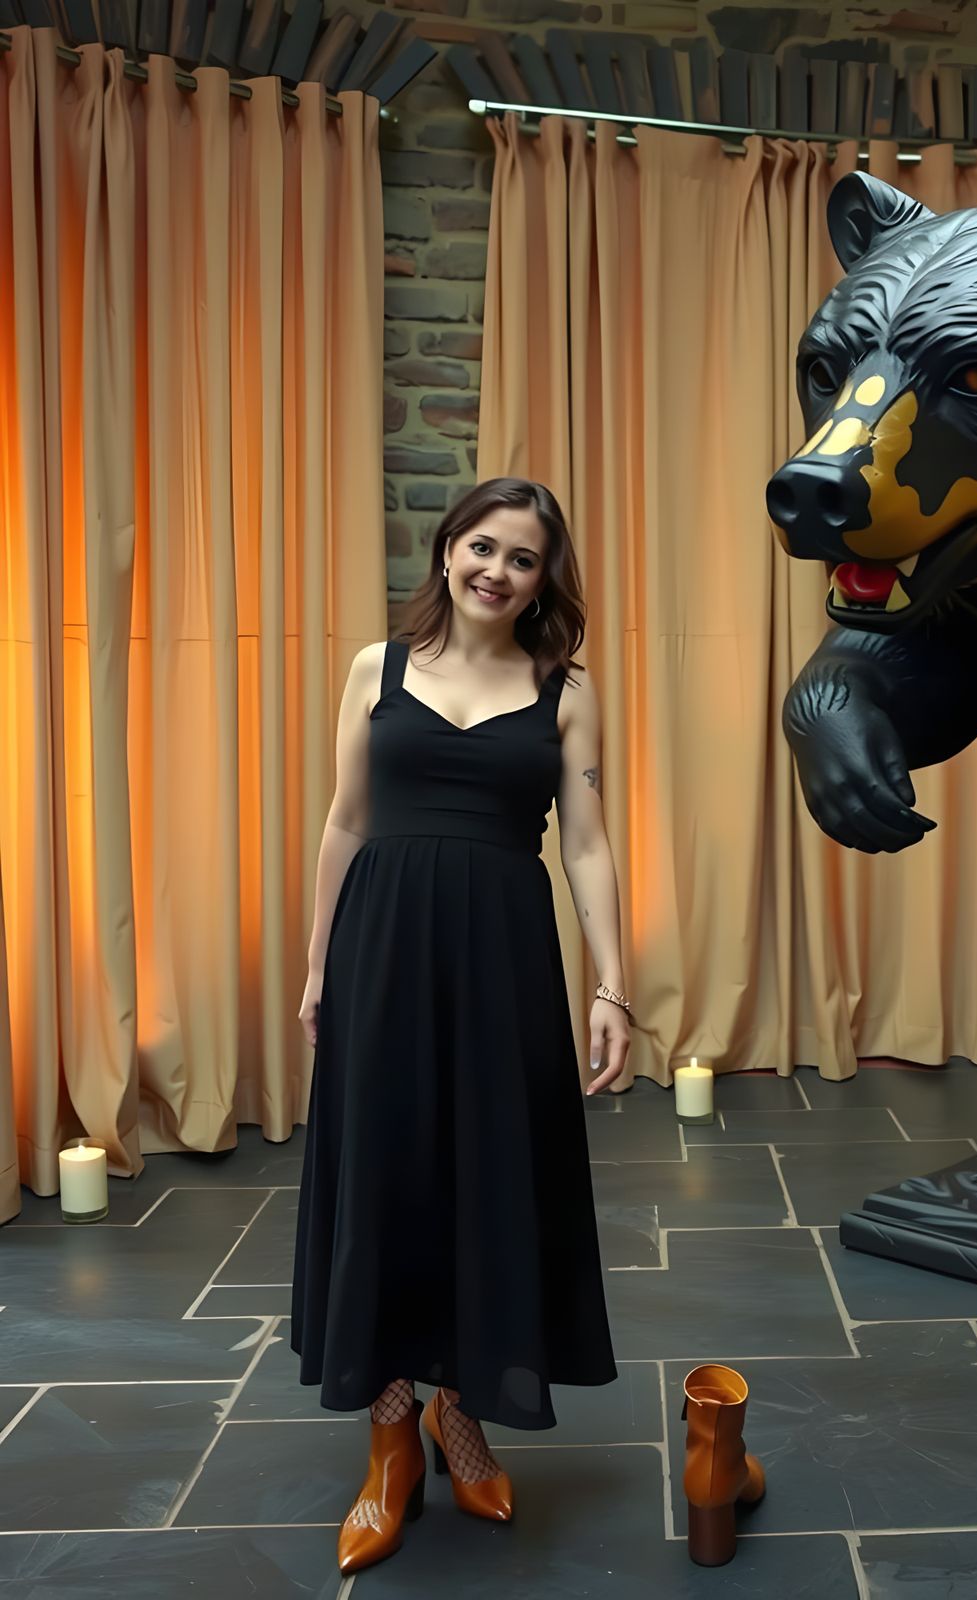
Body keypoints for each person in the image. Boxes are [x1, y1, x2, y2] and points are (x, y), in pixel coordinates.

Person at [288, 477, 632, 1575]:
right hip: (382, 947)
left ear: (542, 580)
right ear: (445, 552)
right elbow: (345, 820)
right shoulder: (372, 670)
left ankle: (459, 1414)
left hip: (502, 957)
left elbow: (585, 843)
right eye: (480, 546)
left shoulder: (562, 687)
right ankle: (389, 1435)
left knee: (489, 1174)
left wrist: (611, 986)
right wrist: (315, 964)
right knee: (388, 1173)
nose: (496, 570)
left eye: (522, 558)